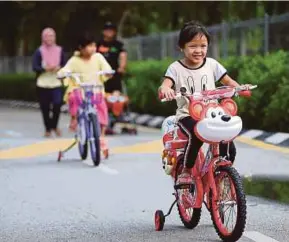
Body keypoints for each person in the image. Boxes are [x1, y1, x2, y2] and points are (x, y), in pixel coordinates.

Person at [158, 21, 250, 187]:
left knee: (227, 140)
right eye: (193, 46)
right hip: (187, 115)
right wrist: (166, 89)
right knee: (196, 135)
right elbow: (166, 84)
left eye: (203, 46)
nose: (198, 51)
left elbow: (228, 81)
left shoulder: (212, 64)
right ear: (182, 47)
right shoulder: (175, 68)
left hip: (211, 114)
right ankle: (186, 171)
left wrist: (240, 88)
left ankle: (222, 173)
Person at [57, 33, 113, 150]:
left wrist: (108, 72)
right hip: (79, 88)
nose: (93, 48)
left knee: (102, 107)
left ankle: (101, 136)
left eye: (94, 45)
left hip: (95, 88)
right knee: (74, 97)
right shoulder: (74, 60)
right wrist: (62, 74)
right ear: (81, 48)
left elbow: (106, 68)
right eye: (89, 46)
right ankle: (75, 118)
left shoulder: (98, 57)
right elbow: (65, 70)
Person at [32, 27, 66, 138]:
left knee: (57, 104)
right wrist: (45, 69)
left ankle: (54, 125)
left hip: (56, 82)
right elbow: (35, 66)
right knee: (45, 108)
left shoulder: (59, 50)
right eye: (47, 36)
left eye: (51, 36)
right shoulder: (39, 51)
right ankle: (47, 128)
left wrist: (58, 68)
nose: (49, 38)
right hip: (42, 83)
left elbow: (64, 65)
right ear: (43, 38)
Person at [96, 22, 127, 93]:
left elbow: (123, 55)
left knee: (115, 96)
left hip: (114, 73)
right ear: (103, 32)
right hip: (100, 74)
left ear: (115, 32)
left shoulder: (118, 45)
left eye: (111, 30)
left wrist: (122, 67)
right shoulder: (98, 44)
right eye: (107, 30)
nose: (109, 32)